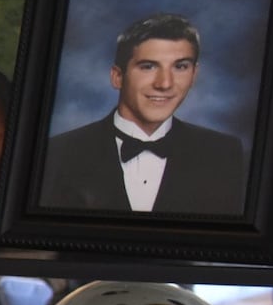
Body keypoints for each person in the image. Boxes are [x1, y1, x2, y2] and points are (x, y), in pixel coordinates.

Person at [37, 13, 247, 214]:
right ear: (118, 76)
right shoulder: (58, 152)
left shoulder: (223, 154)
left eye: (180, 67)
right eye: (148, 66)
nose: (165, 83)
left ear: (194, 75)